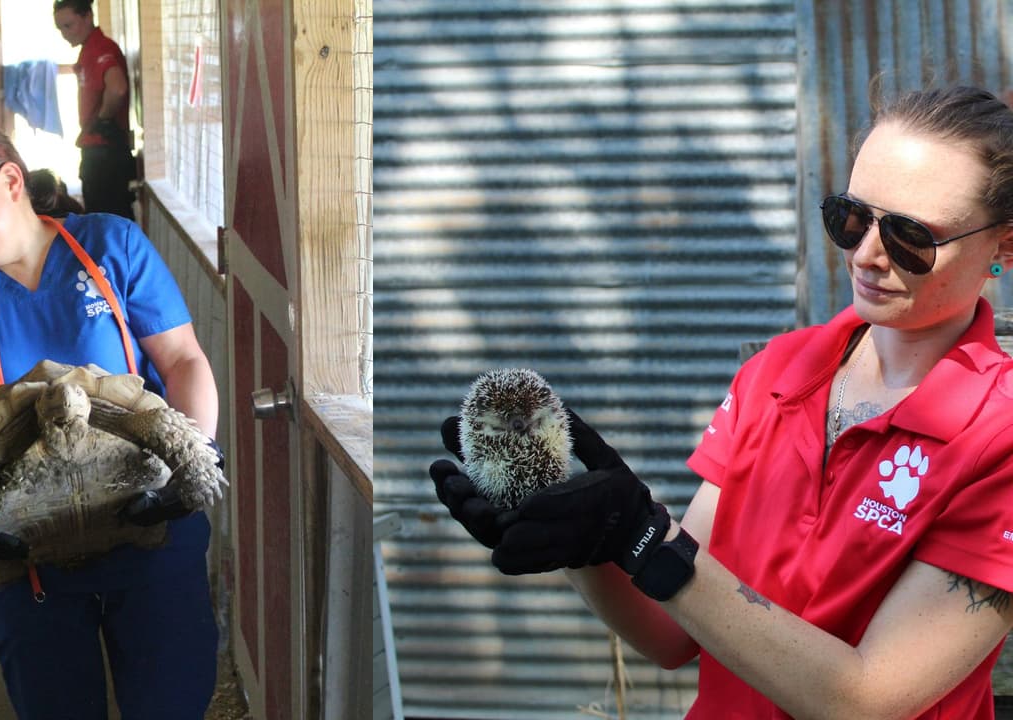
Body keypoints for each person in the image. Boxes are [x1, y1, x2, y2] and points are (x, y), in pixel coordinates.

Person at [431, 85, 1013, 718]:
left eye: (911, 236)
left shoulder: (998, 436)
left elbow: (866, 700)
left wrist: (647, 540)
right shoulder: (777, 373)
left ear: (1003, 247)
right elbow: (674, 633)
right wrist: (580, 541)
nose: (866, 255)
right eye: (851, 217)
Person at [0, 121, 219, 719]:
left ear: (11, 181)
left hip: (148, 523)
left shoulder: (112, 246)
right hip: (25, 554)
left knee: (171, 700)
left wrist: (193, 459)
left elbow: (183, 361)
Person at [53, 0, 136, 220]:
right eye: (60, 28)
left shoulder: (101, 48)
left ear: (88, 16)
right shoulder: (88, 50)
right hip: (96, 150)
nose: (64, 33)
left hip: (106, 152)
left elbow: (117, 88)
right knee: (100, 220)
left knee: (109, 222)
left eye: (68, 25)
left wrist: (103, 120)